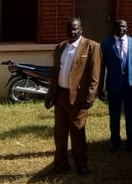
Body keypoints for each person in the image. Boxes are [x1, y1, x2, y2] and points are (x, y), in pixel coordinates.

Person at [44, 18, 101, 175]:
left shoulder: (92, 47)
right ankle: (61, 164)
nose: (72, 32)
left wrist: (90, 97)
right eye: (69, 30)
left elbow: (95, 76)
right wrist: (50, 95)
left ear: (81, 29)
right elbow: (55, 74)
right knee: (59, 133)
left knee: (77, 133)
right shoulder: (60, 47)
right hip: (60, 97)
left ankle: (82, 165)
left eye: (75, 29)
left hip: (78, 98)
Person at [101, 19, 132, 153]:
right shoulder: (106, 44)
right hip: (114, 85)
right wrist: (100, 86)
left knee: (131, 114)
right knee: (114, 115)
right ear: (114, 28)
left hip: (130, 85)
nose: (121, 29)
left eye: (123, 27)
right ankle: (115, 142)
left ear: (127, 28)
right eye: (118, 27)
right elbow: (102, 67)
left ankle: (131, 142)